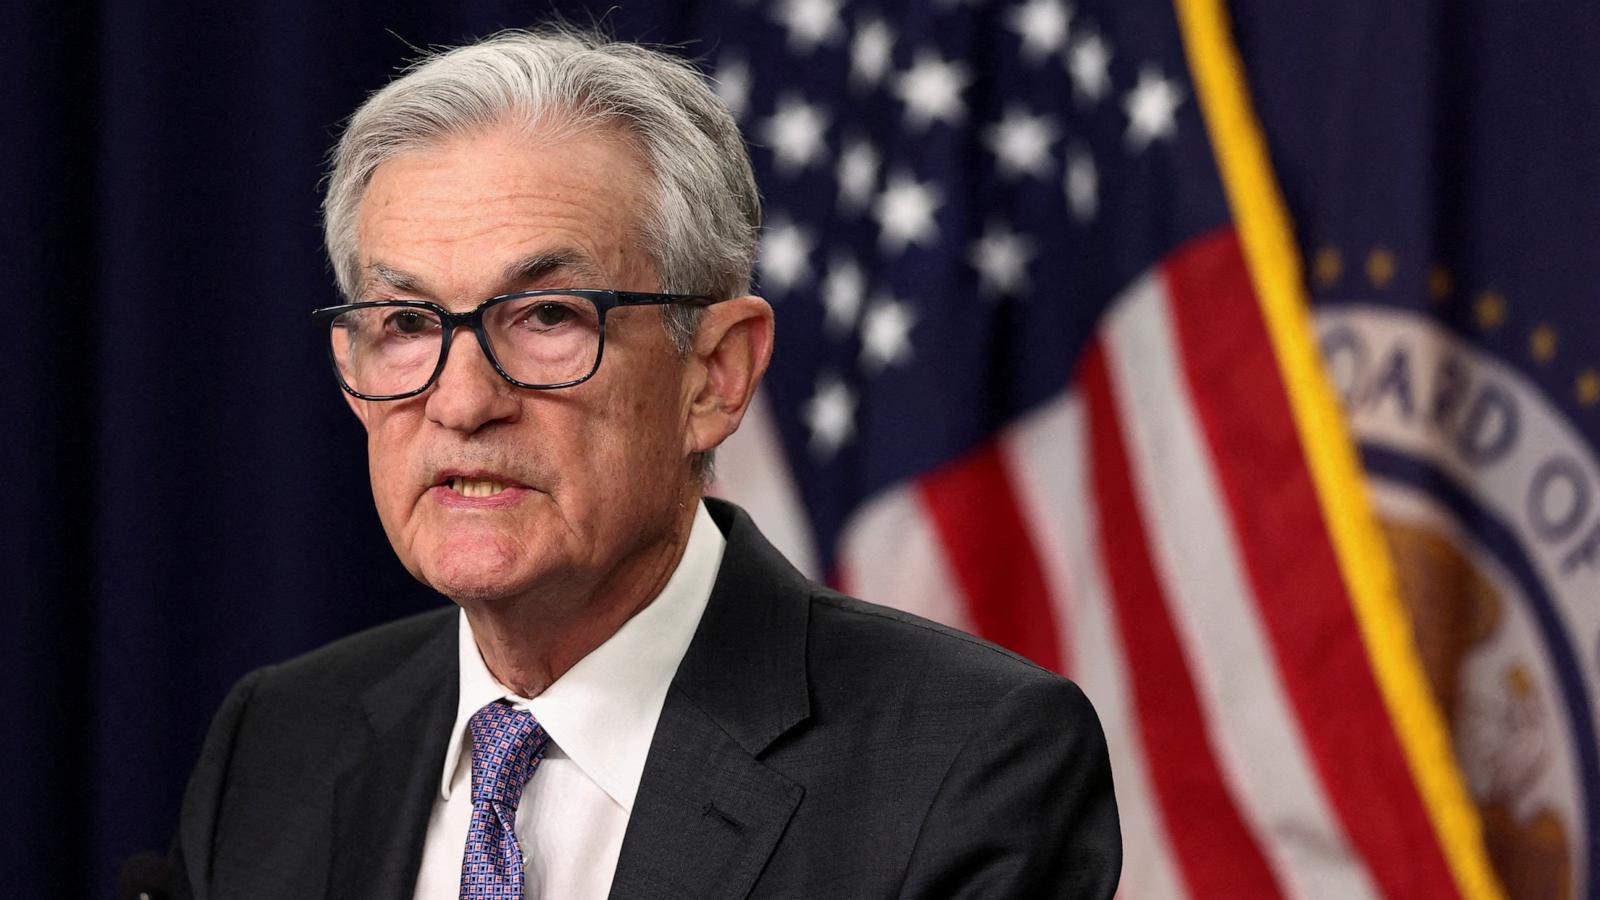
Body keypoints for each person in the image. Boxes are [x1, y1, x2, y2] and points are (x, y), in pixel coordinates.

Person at [171, 28, 1120, 900]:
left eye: (547, 316)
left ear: (716, 373)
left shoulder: (968, 763)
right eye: (409, 324)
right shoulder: (276, 745)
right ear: (351, 370)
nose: (460, 402)